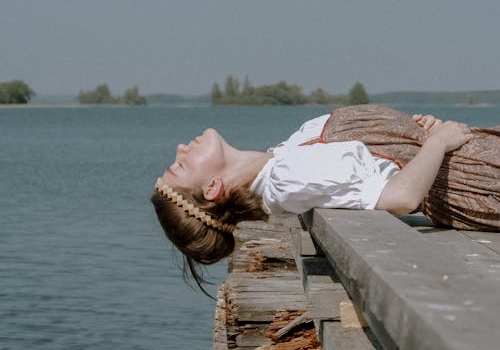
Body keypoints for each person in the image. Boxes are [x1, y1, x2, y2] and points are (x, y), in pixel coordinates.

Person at [151, 105, 500, 290]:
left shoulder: (283, 158)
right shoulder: (288, 180)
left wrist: (415, 133)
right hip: (481, 182)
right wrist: (437, 143)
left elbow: (382, 162)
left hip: (475, 167)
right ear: (212, 188)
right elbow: (401, 198)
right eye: (181, 164)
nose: (182, 148)